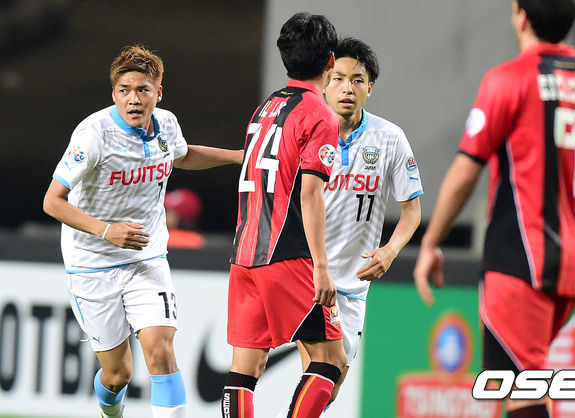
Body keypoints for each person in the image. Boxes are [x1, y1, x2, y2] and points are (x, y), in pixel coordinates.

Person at [413, 1, 575, 417]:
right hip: (574, 266)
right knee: (528, 375)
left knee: (520, 387)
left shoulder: (508, 80)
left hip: (519, 261)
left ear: (521, 16)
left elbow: (466, 169)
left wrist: (430, 241)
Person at [42, 45, 243, 418]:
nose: (133, 99)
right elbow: (52, 202)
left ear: (158, 92)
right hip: (92, 262)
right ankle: (110, 411)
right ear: (114, 93)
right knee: (118, 374)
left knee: (161, 351)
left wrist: (237, 157)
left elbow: (182, 155)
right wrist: (106, 231)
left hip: (145, 257)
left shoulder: (167, 124)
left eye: (142, 90)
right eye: (124, 90)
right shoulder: (93, 135)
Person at [277, 37, 423, 416]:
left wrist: (390, 251)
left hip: (355, 283)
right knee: (322, 367)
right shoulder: (304, 131)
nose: (347, 88)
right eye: (338, 78)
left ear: (369, 88)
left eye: (357, 80)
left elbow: (412, 210)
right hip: (309, 274)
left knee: (330, 383)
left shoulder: (389, 138)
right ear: (325, 82)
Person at [222, 12, 346, 418]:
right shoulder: (320, 115)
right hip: (287, 255)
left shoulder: (264, 108)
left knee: (244, 370)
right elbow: (310, 193)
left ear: (284, 59)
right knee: (330, 362)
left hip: (244, 255)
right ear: (331, 61)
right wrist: (321, 268)